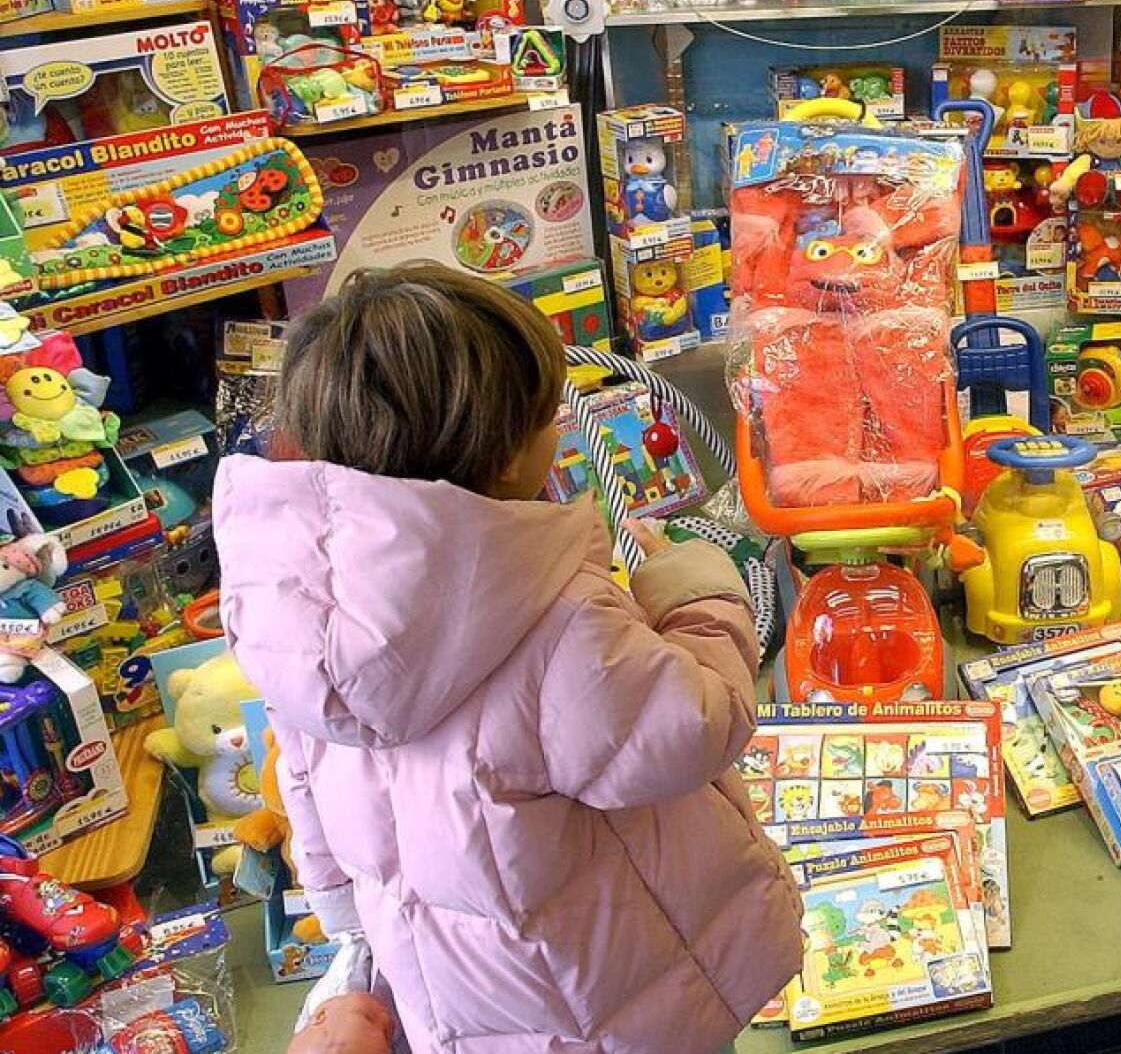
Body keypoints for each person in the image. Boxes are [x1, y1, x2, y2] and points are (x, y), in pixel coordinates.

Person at [215, 265, 802, 1054]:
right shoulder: (554, 617)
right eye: (546, 417)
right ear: (504, 457)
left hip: (461, 1011)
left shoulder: (299, 616)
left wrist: (356, 929)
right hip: (620, 1001)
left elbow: (305, 788)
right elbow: (692, 728)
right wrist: (692, 591)